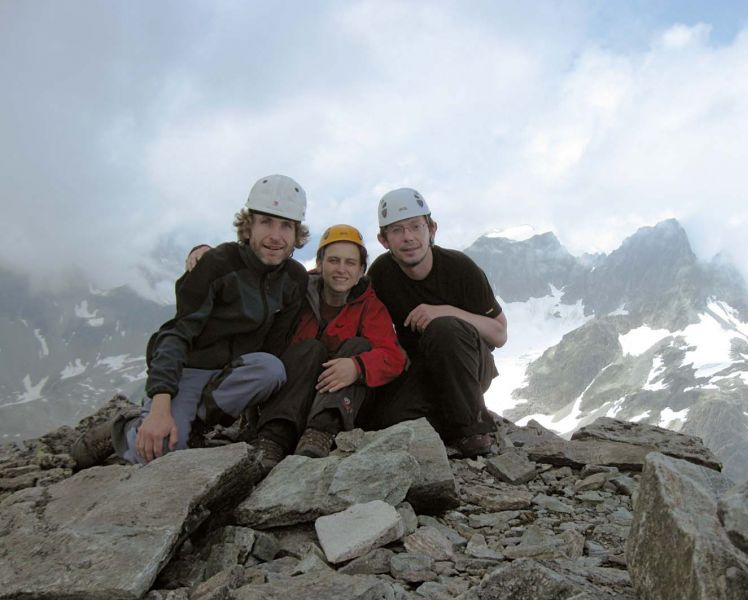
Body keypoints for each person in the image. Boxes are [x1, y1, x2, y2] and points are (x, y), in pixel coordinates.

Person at [71, 174, 310, 473]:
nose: (276, 235)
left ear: (297, 233)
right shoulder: (219, 264)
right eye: (266, 222)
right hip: (190, 370)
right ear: (248, 226)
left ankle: (187, 423)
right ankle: (127, 427)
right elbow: (175, 334)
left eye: (286, 225)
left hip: (231, 375)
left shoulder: (294, 279)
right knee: (162, 452)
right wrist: (161, 407)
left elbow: (275, 345)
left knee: (272, 368)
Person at [357, 188, 508, 457]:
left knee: (444, 328)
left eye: (416, 226)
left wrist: (446, 311)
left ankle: (472, 430)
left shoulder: (460, 268)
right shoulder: (381, 273)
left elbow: (499, 334)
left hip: (468, 366)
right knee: (383, 423)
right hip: (421, 371)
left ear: (432, 229)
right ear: (383, 240)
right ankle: (444, 422)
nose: (409, 238)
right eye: (397, 230)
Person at [255, 224, 406, 459]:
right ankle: (274, 437)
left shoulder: (370, 306)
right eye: (334, 260)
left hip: (343, 406)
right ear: (320, 263)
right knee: (309, 349)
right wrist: (204, 253)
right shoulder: (299, 294)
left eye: (350, 263)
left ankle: (321, 432)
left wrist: (357, 367)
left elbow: (394, 357)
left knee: (358, 347)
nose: (341, 269)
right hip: (294, 395)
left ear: (361, 271)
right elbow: (257, 275)